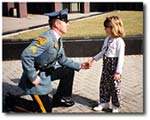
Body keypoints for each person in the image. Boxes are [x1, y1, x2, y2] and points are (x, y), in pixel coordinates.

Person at [5, 8, 89, 113]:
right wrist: (32, 77)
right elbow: (26, 55)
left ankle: (59, 99)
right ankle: (12, 102)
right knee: (45, 111)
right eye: (66, 22)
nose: (68, 24)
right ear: (57, 24)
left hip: (46, 73)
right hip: (36, 78)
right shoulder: (46, 39)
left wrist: (80, 66)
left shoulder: (58, 38)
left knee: (68, 71)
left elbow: (62, 59)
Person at [88, 16, 125, 113]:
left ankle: (115, 105)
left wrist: (118, 72)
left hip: (114, 66)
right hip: (106, 65)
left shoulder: (119, 41)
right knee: (104, 85)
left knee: (114, 87)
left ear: (114, 27)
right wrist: (94, 58)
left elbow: (121, 58)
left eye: (107, 27)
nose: (105, 29)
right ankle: (104, 102)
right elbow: (103, 51)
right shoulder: (107, 39)